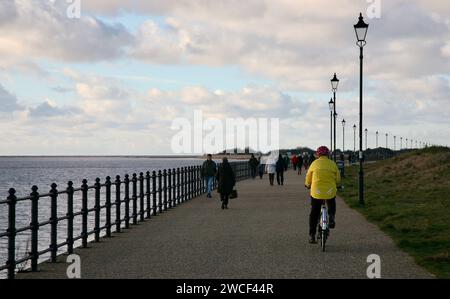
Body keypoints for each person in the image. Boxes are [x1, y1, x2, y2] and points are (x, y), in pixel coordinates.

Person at [305, 146, 341, 244]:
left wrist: (307, 185)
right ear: (328, 154)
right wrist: (338, 185)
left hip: (316, 191)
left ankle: (312, 235)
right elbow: (338, 178)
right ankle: (332, 217)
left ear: (318, 154)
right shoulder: (332, 164)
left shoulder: (314, 163)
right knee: (331, 203)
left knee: (314, 213)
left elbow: (308, 176)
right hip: (330, 190)